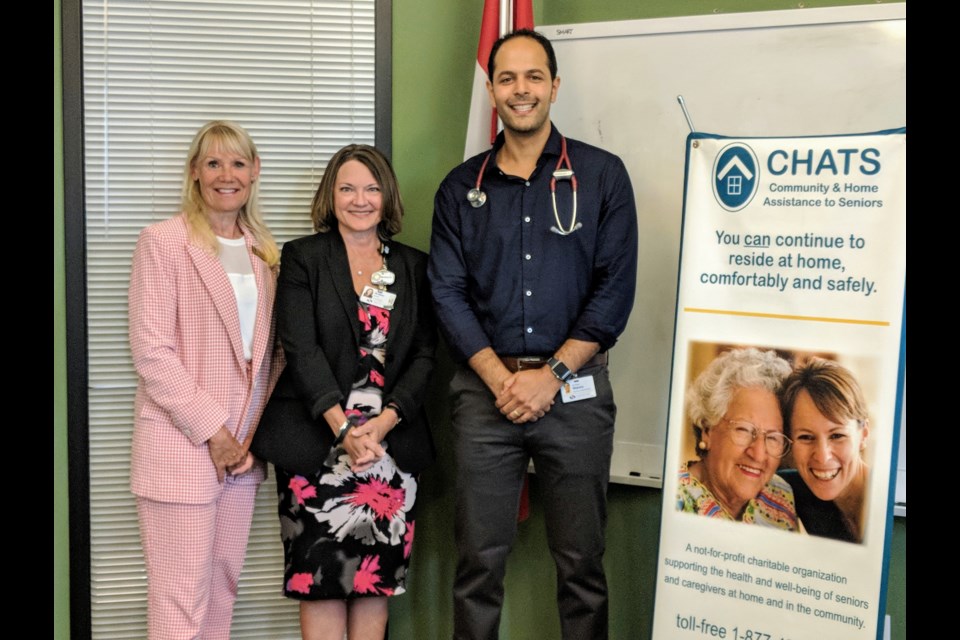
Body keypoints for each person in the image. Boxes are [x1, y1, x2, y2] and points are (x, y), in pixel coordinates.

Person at [429, 29, 638, 640]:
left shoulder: (601, 177)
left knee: (581, 567)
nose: (520, 90)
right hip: (483, 399)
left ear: (554, 86)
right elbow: (447, 292)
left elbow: (614, 290)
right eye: (507, 78)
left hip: (573, 395)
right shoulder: (459, 189)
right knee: (478, 567)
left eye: (533, 77)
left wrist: (551, 377)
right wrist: (503, 379)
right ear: (491, 89)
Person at [252, 144, 436, 640]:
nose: (361, 200)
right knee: (322, 587)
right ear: (330, 196)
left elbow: (423, 354)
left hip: (389, 452)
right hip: (318, 447)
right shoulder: (303, 258)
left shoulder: (415, 267)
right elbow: (301, 348)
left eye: (372, 188)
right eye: (348, 188)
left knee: (374, 590)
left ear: (387, 196)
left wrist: (385, 421)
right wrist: (344, 429)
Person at [128, 120, 282, 639]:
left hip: (242, 454)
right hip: (182, 448)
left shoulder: (267, 253)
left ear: (255, 171)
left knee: (221, 594)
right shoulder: (163, 242)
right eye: (213, 163)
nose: (226, 175)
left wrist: (249, 441)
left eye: (238, 162)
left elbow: (272, 360)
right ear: (195, 172)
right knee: (179, 606)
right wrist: (216, 434)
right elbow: (152, 353)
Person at [678, 348, 797, 530]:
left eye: (773, 438)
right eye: (744, 430)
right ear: (707, 429)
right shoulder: (673, 498)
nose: (758, 455)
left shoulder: (779, 495)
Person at [779, 358, 870, 543]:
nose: (822, 456)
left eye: (837, 436)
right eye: (806, 437)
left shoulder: (888, 502)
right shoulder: (788, 489)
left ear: (863, 435)